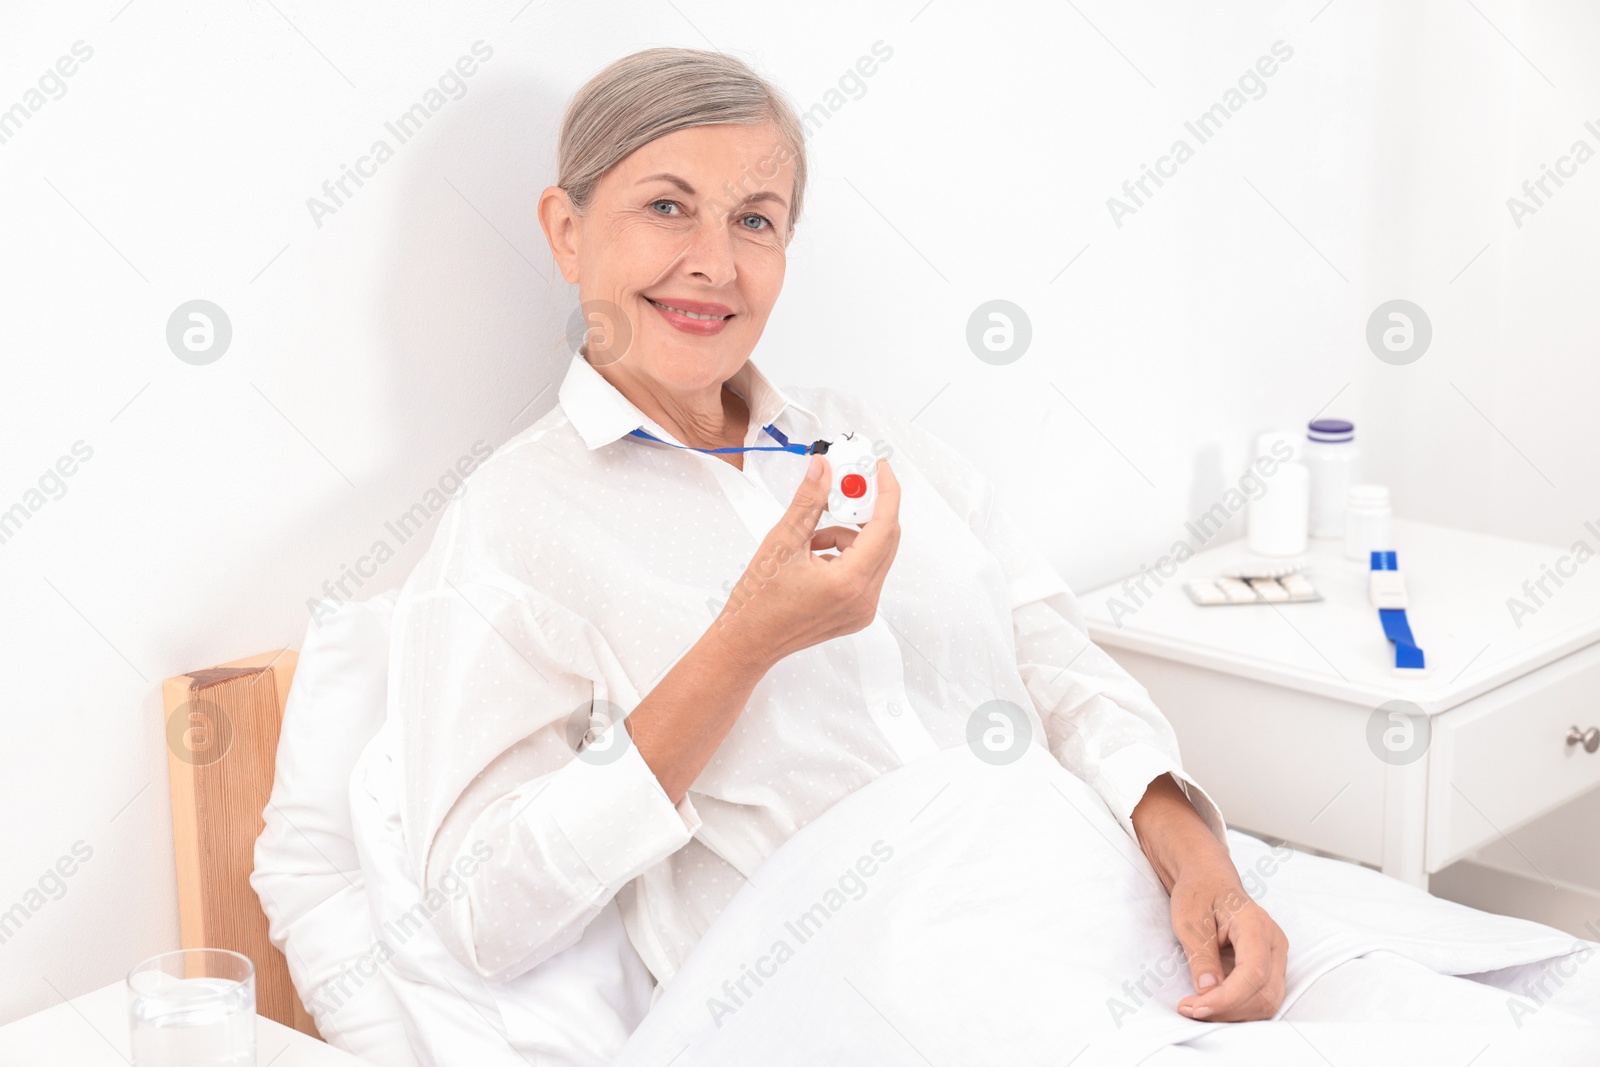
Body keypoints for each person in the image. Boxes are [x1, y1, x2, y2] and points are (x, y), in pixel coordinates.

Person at [392, 46, 1287, 1028]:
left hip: (1094, 918)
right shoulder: (515, 522)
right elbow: (485, 910)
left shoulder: (866, 445)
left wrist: (1196, 856)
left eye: (755, 220)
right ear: (567, 232)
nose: (714, 262)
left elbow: (1056, 665)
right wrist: (743, 643)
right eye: (666, 206)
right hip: (870, 997)